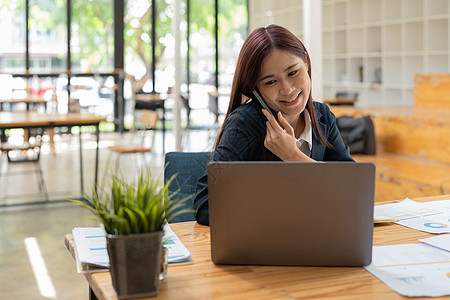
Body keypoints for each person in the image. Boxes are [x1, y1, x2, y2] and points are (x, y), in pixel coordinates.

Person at [193, 24, 354, 226]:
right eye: (270, 82)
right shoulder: (245, 124)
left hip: (318, 239)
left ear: (306, 62)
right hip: (264, 245)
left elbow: (353, 191)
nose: (287, 89)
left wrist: (293, 157)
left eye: (293, 72)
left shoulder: (322, 117)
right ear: (255, 89)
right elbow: (206, 204)